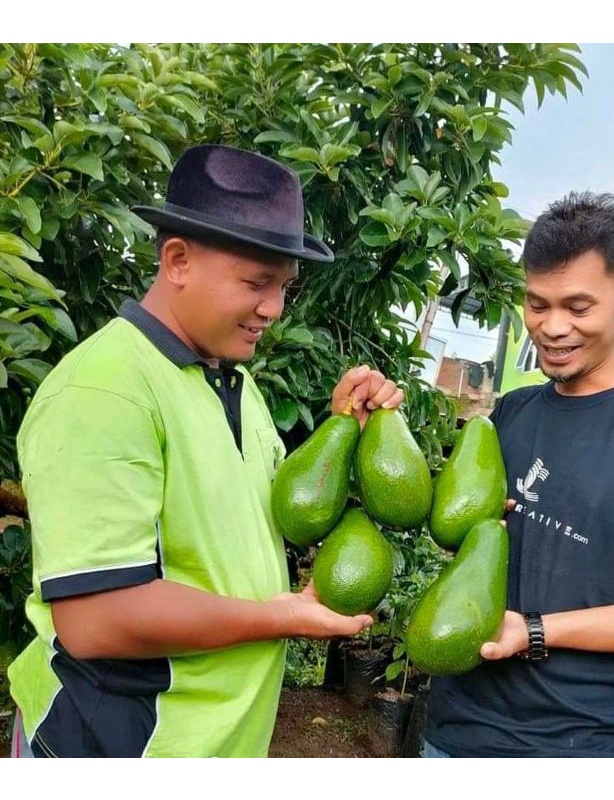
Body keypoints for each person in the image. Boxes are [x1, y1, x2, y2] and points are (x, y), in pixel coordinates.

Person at [7, 144, 402, 758]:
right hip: (120, 747)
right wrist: (283, 618)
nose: (273, 308)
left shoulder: (232, 382)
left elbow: (264, 520)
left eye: (284, 288)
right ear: (178, 259)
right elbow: (95, 620)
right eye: (256, 283)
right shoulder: (105, 389)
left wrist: (343, 429)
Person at [422, 191, 614, 758]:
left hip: (579, 745)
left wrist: (536, 630)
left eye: (578, 306)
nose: (551, 327)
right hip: (454, 731)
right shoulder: (509, 414)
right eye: (537, 304)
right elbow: (459, 537)